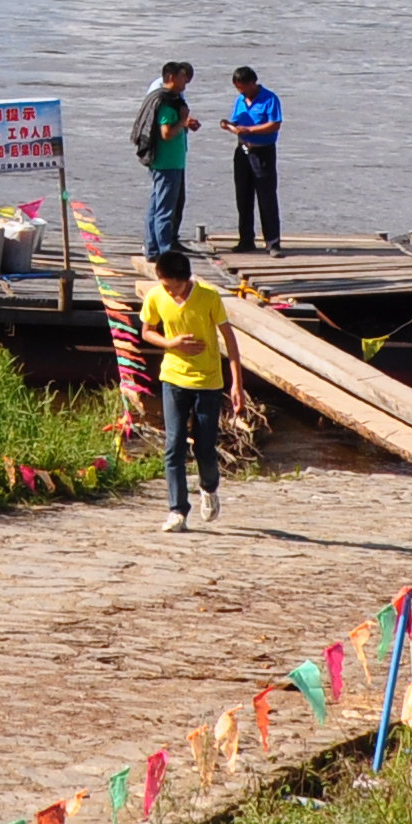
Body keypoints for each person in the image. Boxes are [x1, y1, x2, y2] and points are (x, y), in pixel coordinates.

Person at [136, 248, 238, 530]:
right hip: (173, 378)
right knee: (174, 445)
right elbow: (147, 331)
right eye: (165, 286)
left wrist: (237, 383)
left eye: (175, 287)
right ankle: (177, 510)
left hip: (208, 382)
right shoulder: (157, 296)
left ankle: (209, 487)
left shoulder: (208, 297)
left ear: (186, 279)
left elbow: (230, 340)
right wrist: (171, 343)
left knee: (204, 447)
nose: (170, 292)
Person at [132, 62, 196, 260]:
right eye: (182, 76)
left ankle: (152, 249)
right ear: (171, 78)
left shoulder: (170, 99)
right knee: (165, 211)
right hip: (167, 163)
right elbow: (166, 133)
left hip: (168, 162)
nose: (185, 80)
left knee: (157, 205)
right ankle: (164, 253)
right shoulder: (167, 102)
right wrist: (182, 121)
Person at [223, 64, 283, 256]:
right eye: (238, 88)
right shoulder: (240, 100)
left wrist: (249, 130)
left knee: (266, 197)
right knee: (243, 196)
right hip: (242, 150)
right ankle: (246, 239)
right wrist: (229, 125)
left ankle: (272, 241)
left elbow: (274, 124)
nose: (241, 92)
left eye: (243, 87)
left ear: (252, 83)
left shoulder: (269, 99)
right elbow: (237, 121)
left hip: (263, 152)